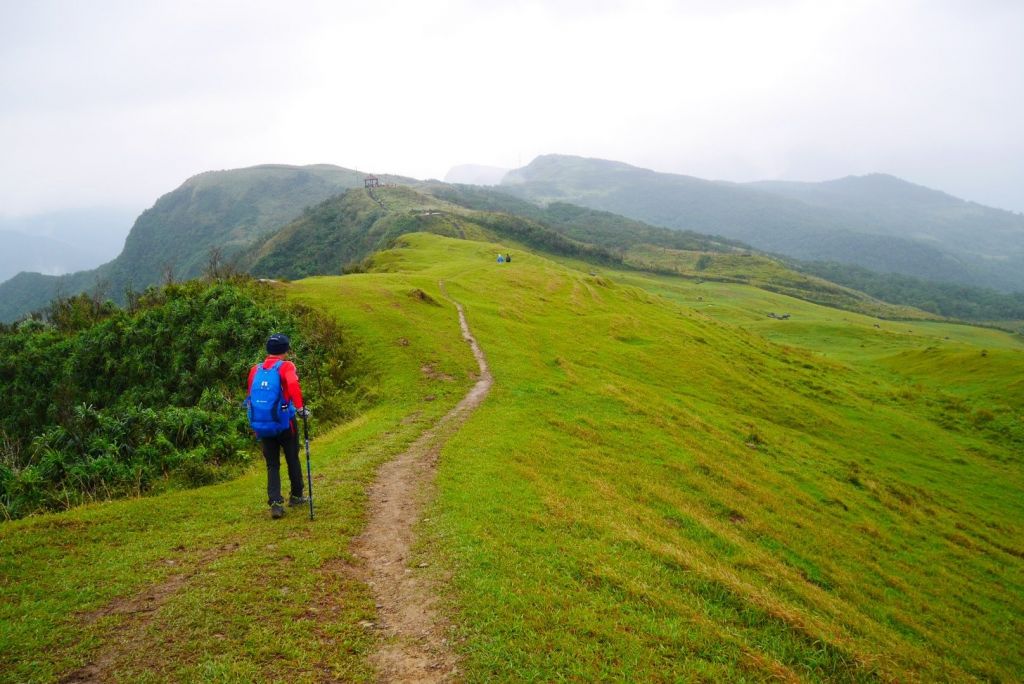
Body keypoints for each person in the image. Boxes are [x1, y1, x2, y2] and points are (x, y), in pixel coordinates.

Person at [247, 333, 308, 519]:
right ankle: (296, 495)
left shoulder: (255, 370)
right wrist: (300, 408)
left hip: (263, 423)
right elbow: (293, 385)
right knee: (292, 458)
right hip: (284, 422)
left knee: (272, 464)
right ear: (286, 350)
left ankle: (275, 503)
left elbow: (251, 394)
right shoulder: (286, 366)